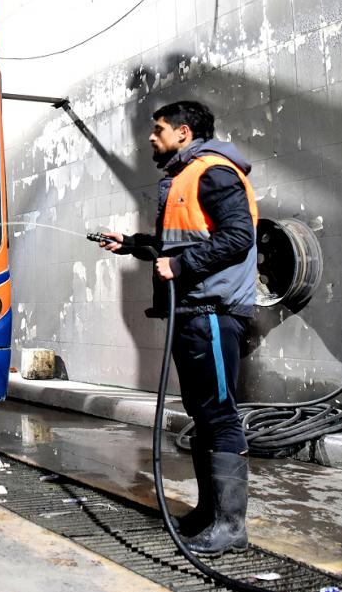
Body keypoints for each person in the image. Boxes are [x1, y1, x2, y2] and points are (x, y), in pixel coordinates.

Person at [98, 100, 257, 556]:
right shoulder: (184, 178)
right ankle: (210, 515)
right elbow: (181, 242)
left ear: (184, 133)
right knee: (203, 413)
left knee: (220, 415)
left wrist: (182, 264)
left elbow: (238, 237)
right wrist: (132, 245)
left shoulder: (213, 172)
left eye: (159, 129)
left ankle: (231, 526)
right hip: (191, 311)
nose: (152, 137)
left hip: (212, 310)